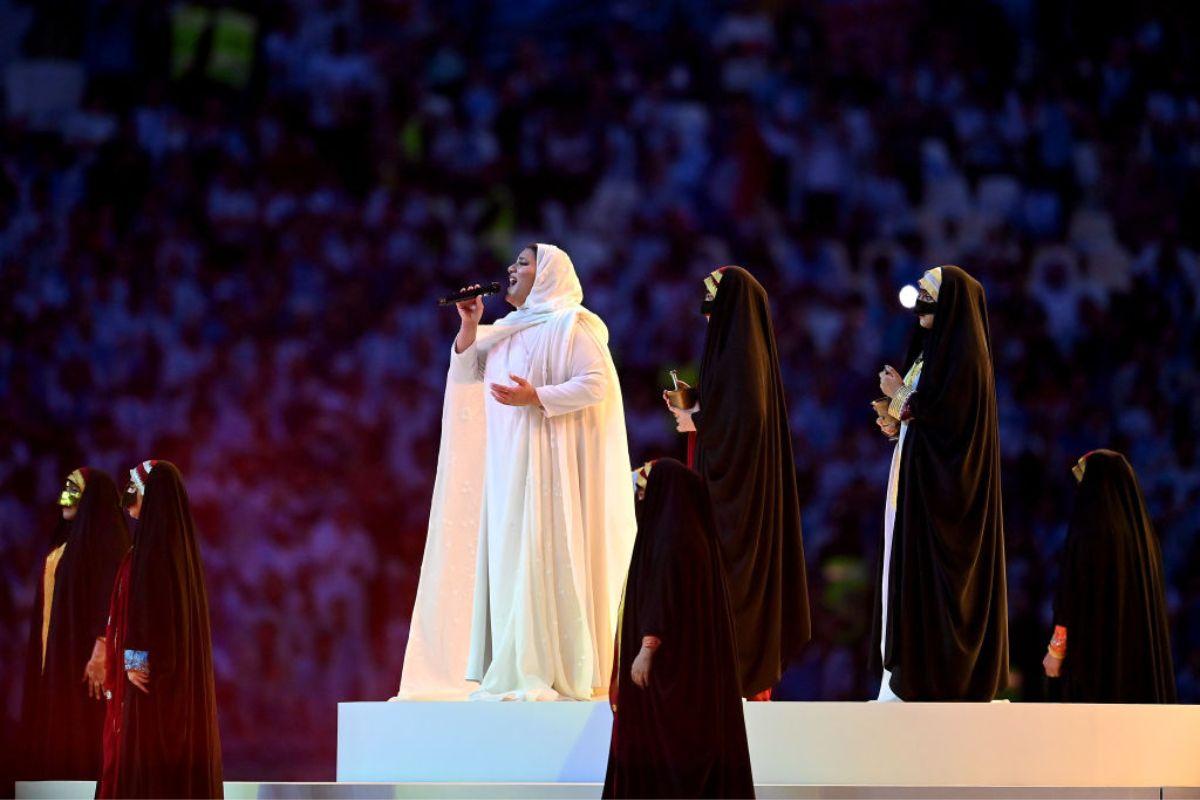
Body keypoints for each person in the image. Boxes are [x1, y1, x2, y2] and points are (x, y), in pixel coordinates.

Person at [401, 243, 636, 702]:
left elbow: (596, 384)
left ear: (547, 275)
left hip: (551, 470)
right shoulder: (507, 329)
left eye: (523, 263)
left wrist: (538, 397)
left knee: (543, 552)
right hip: (508, 469)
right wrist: (470, 324)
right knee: (511, 558)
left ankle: (552, 664)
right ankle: (513, 659)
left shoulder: (573, 325)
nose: (511, 268)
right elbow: (469, 372)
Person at [665, 266, 810, 700]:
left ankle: (736, 682)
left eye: (714, 304)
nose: (708, 315)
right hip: (726, 488)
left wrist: (696, 418)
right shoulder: (734, 349)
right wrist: (698, 406)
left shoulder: (743, 352)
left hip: (738, 505)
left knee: (729, 584)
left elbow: (746, 421)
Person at [872, 265, 1008, 701]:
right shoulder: (931, 354)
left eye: (930, 295)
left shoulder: (965, 357)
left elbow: (951, 423)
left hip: (945, 496)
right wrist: (896, 423)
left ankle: (937, 676)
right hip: (913, 482)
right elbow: (926, 416)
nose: (921, 305)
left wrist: (900, 398)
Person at [603, 458, 754, 799]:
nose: (642, 498)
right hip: (691, 672)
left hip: (663, 670)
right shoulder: (696, 537)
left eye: (645, 491)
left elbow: (662, 595)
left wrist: (646, 648)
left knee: (664, 753)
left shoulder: (671, 540)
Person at [97, 460, 223, 798]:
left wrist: (135, 657)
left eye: (133, 490)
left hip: (155, 681)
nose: (127, 498)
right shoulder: (171, 553)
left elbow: (154, 613)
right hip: (165, 678)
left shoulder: (155, 553)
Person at [19, 468, 128, 780]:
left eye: (73, 489)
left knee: (84, 728)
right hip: (55, 654)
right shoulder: (64, 544)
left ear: (91, 496)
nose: (63, 497)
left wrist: (102, 647)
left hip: (86, 657)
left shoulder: (105, 539)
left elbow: (111, 596)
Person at [1042, 450, 1176, 702]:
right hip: (1138, 665)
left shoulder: (1088, 533)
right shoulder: (1145, 540)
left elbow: (1071, 596)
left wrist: (1057, 650)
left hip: (1092, 663)